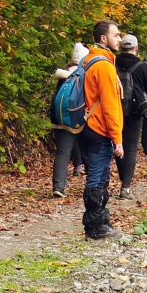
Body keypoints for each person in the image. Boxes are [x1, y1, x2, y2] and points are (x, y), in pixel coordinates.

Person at [77, 20, 126, 239]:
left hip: (87, 125)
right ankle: (96, 227)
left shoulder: (87, 61)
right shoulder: (104, 66)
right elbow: (110, 106)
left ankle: (99, 222)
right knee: (98, 177)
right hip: (99, 128)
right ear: (103, 39)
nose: (120, 39)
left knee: (98, 175)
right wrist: (118, 139)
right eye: (116, 35)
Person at [114, 34, 147, 199]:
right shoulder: (142, 67)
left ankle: (124, 178)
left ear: (120, 48)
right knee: (131, 148)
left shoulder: (113, 63)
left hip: (115, 109)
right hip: (135, 110)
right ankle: (125, 187)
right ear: (136, 48)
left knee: (117, 144)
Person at [49, 43, 88, 197]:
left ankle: (58, 187)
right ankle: (94, 187)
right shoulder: (84, 75)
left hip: (61, 120)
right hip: (81, 119)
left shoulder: (63, 75)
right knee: (88, 151)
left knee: (63, 153)